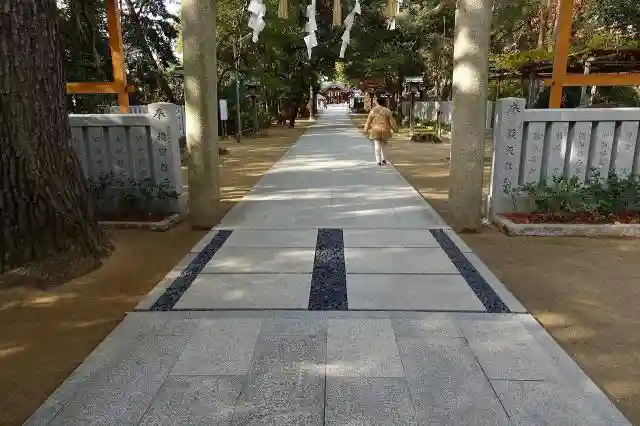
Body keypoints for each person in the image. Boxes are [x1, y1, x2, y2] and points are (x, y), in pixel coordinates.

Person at [363, 96, 398, 166]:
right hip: (385, 130)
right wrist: (395, 129)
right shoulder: (387, 111)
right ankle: (384, 159)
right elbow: (392, 122)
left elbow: (368, 121)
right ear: (384, 102)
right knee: (384, 146)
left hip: (376, 130)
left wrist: (366, 129)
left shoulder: (373, 110)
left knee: (377, 146)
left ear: (378, 102)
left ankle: (378, 161)